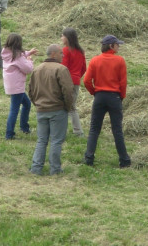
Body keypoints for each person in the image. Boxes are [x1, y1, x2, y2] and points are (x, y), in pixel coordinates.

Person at [83, 35, 131, 168]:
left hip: (99, 97)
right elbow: (123, 82)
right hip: (114, 97)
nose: (119, 46)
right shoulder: (119, 61)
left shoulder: (95, 60)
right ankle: (124, 160)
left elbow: (86, 81)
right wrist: (121, 96)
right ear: (111, 46)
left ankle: (89, 157)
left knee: (94, 129)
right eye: (117, 44)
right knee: (117, 130)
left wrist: (94, 92)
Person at [28, 43, 74, 175]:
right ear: (53, 54)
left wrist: (37, 104)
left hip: (41, 110)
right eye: (61, 53)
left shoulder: (37, 69)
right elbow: (68, 91)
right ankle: (55, 169)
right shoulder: (61, 69)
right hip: (58, 110)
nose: (63, 55)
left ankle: (36, 168)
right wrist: (67, 107)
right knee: (56, 141)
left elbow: (30, 91)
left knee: (41, 140)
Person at [1, 33, 38, 140]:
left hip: (11, 85)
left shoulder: (6, 52)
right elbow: (28, 69)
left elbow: (20, 55)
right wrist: (30, 60)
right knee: (14, 109)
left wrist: (28, 53)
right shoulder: (17, 56)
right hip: (17, 87)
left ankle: (24, 127)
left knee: (26, 104)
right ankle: (9, 134)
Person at [60, 27, 86, 137]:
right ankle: (76, 131)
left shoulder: (65, 50)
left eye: (62, 35)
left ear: (67, 38)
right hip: (76, 81)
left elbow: (63, 68)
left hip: (66, 82)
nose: (61, 38)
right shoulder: (80, 51)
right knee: (71, 106)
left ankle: (76, 131)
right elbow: (84, 68)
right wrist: (77, 76)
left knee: (66, 107)